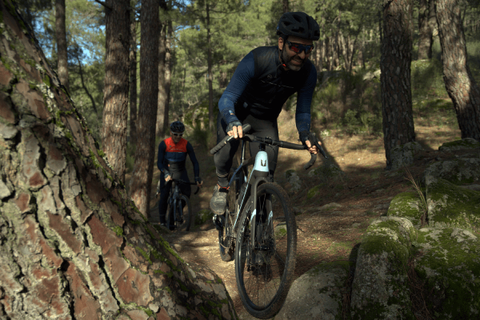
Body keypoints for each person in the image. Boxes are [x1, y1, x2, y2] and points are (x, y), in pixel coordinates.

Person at [210, 11, 321, 215]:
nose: (302, 55)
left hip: (265, 121)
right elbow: (227, 97)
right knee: (224, 156)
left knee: (266, 174)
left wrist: (305, 134)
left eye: (308, 49)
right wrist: (232, 120)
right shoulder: (258, 58)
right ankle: (222, 185)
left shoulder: (308, 72)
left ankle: (258, 230)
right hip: (237, 114)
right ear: (281, 42)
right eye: (296, 47)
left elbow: (303, 109)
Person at [157, 121, 202, 229]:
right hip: (167, 171)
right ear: (171, 133)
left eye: (180, 134)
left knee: (187, 192)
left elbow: (195, 162)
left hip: (180, 171)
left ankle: (176, 213)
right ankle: (162, 221)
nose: (178, 137)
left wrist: (197, 177)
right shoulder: (164, 144)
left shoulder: (186, 144)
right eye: (175, 134)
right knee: (164, 195)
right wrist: (165, 172)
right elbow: (158, 162)